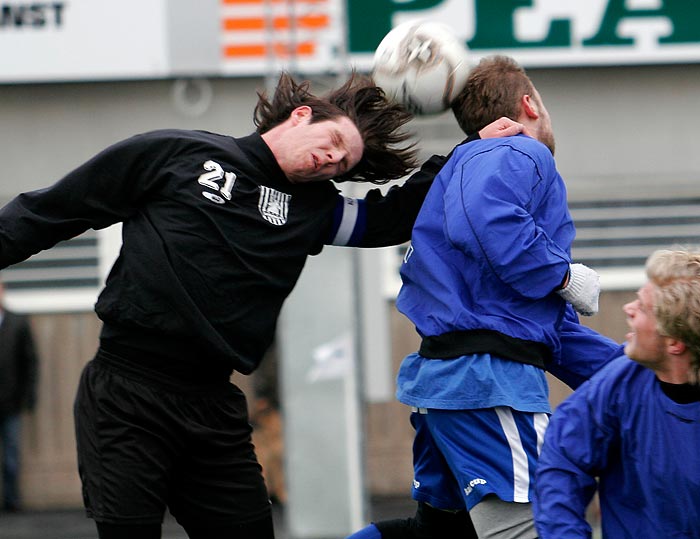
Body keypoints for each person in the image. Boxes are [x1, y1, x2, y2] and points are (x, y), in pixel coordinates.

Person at [0, 71, 523, 538]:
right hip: (126, 393)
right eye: (334, 141)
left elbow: (390, 218)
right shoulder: (174, 152)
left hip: (213, 407)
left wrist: (467, 152)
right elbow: (48, 212)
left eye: (343, 164)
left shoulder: (313, 211)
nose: (332, 161)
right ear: (302, 115)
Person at [347, 55, 622, 539]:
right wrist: (563, 276)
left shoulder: (463, 164)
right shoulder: (520, 151)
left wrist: (641, 376)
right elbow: (488, 218)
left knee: (435, 534)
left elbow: (545, 331)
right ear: (528, 103)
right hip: (489, 385)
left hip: (451, 383)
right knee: (538, 529)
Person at [534, 248, 700, 538]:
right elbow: (562, 465)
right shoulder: (616, 383)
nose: (628, 308)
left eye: (644, 308)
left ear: (675, 343)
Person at [0, 276, 39, 513]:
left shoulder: (17, 322)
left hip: (11, 401)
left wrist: (28, 396)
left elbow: (30, 362)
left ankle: (12, 501)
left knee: (11, 456)